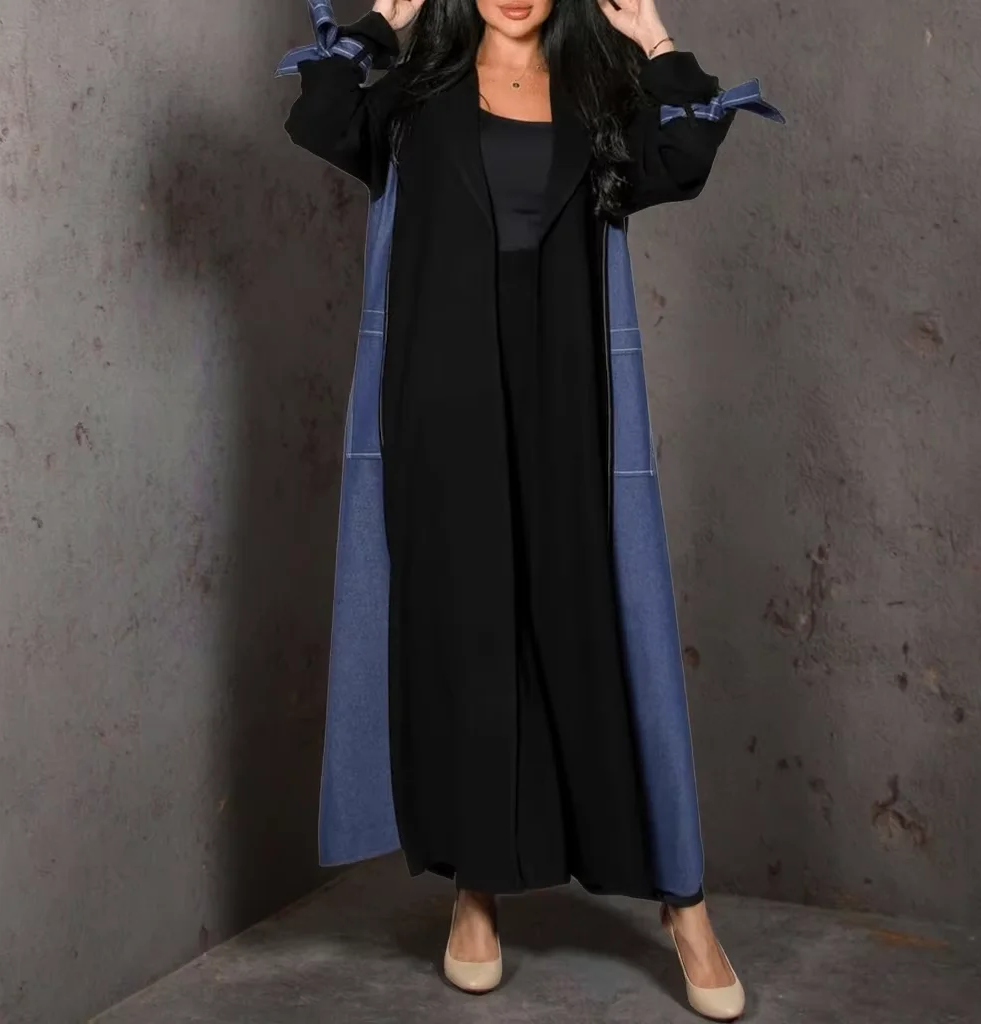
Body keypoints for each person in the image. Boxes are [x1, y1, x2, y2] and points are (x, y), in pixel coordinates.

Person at [280, 0, 779, 1017]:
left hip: (567, 408)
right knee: (469, 641)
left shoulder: (599, 96)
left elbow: (684, 157)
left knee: (595, 638)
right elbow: (323, 116)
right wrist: (380, 21)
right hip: (441, 409)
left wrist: (654, 38)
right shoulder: (415, 100)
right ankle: (476, 893)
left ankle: (683, 905)